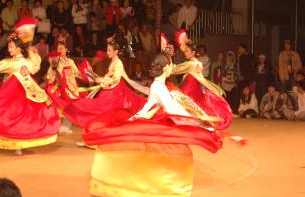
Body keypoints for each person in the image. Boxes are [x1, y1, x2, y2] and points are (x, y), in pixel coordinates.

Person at [83, 52, 223, 197]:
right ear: (166, 68)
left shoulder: (159, 85)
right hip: (147, 122)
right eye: (171, 65)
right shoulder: (159, 87)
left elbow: (154, 105)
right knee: (171, 152)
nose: (173, 67)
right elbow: (173, 110)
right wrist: (201, 124)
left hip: (144, 119)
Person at [0, 31, 60, 155]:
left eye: (11, 47)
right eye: (9, 47)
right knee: (20, 121)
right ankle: (17, 147)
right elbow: (36, 66)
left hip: (10, 96)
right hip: (24, 97)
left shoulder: (11, 63)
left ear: (19, 49)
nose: (9, 49)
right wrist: (31, 51)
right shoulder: (27, 62)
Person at [60, 37, 148, 128]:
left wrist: (100, 80)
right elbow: (109, 77)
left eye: (109, 50)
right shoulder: (114, 61)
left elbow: (115, 79)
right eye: (107, 50)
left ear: (116, 51)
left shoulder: (118, 63)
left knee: (96, 109)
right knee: (93, 108)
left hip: (114, 93)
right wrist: (94, 76)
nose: (107, 52)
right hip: (111, 92)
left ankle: (89, 127)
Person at [173, 34, 232, 130]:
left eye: (187, 51)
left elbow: (174, 70)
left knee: (179, 103)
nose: (185, 53)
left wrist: (166, 57)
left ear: (193, 52)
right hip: (194, 90)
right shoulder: (198, 63)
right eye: (185, 51)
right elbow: (202, 79)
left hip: (189, 91)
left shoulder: (190, 64)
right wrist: (213, 88)